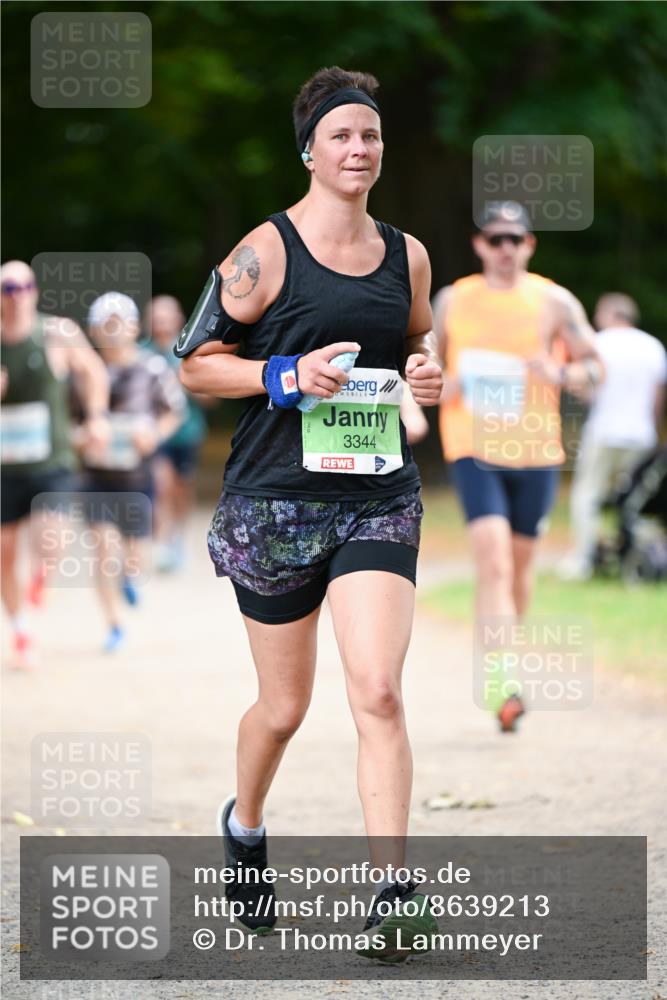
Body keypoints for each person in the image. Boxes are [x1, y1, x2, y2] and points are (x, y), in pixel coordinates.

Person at [177, 67, 443, 961]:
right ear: (310, 149)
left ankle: (393, 894)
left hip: (375, 496)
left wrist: (424, 371)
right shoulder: (267, 250)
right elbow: (195, 363)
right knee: (284, 709)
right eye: (341, 135)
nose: (358, 148)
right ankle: (245, 822)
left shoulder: (406, 253)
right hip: (275, 502)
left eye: (369, 135)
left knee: (375, 688)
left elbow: (412, 337)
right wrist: (282, 375)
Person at [433, 202, 603, 732]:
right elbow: (422, 365)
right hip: (472, 445)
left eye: (515, 239)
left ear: (529, 244)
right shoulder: (453, 300)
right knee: (495, 564)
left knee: (521, 571)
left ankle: (505, 661)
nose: (505, 249)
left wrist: (558, 371)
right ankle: (503, 682)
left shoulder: (553, 300)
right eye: (495, 239)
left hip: (536, 450)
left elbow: (596, 368)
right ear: (479, 245)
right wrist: (441, 383)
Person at [1, 259, 109, 668]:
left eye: (23, 287)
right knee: (5, 554)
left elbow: (93, 372)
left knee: (51, 542)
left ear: (34, 291)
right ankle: (22, 630)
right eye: (7, 289)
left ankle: (39, 581)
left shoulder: (56, 332)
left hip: (53, 460)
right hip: (5, 467)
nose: (16, 297)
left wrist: (96, 417)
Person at [81, 292, 185, 652]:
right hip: (95, 477)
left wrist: (154, 434)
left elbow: (175, 411)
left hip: (137, 477)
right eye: (104, 325)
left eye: (118, 322)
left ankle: (131, 575)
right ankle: (114, 625)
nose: (112, 331)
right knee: (103, 549)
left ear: (133, 326)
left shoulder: (152, 368)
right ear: (94, 330)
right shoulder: (83, 373)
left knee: (136, 551)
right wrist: (83, 437)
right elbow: (66, 424)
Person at [559, 293, 666, 580]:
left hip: (605, 432)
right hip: (641, 435)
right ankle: (632, 554)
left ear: (609, 315)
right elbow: (658, 398)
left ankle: (584, 559)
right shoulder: (653, 346)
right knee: (631, 498)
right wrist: (654, 432)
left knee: (587, 496)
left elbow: (586, 389)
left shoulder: (599, 343)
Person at [144, 295, 213, 572]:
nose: (161, 322)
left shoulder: (190, 351)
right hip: (154, 434)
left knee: (182, 489)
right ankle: (161, 542)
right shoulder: (142, 353)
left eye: (166, 316)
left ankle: (177, 536)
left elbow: (212, 397)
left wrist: (184, 385)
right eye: (156, 317)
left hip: (187, 433)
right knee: (161, 484)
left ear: (179, 319)